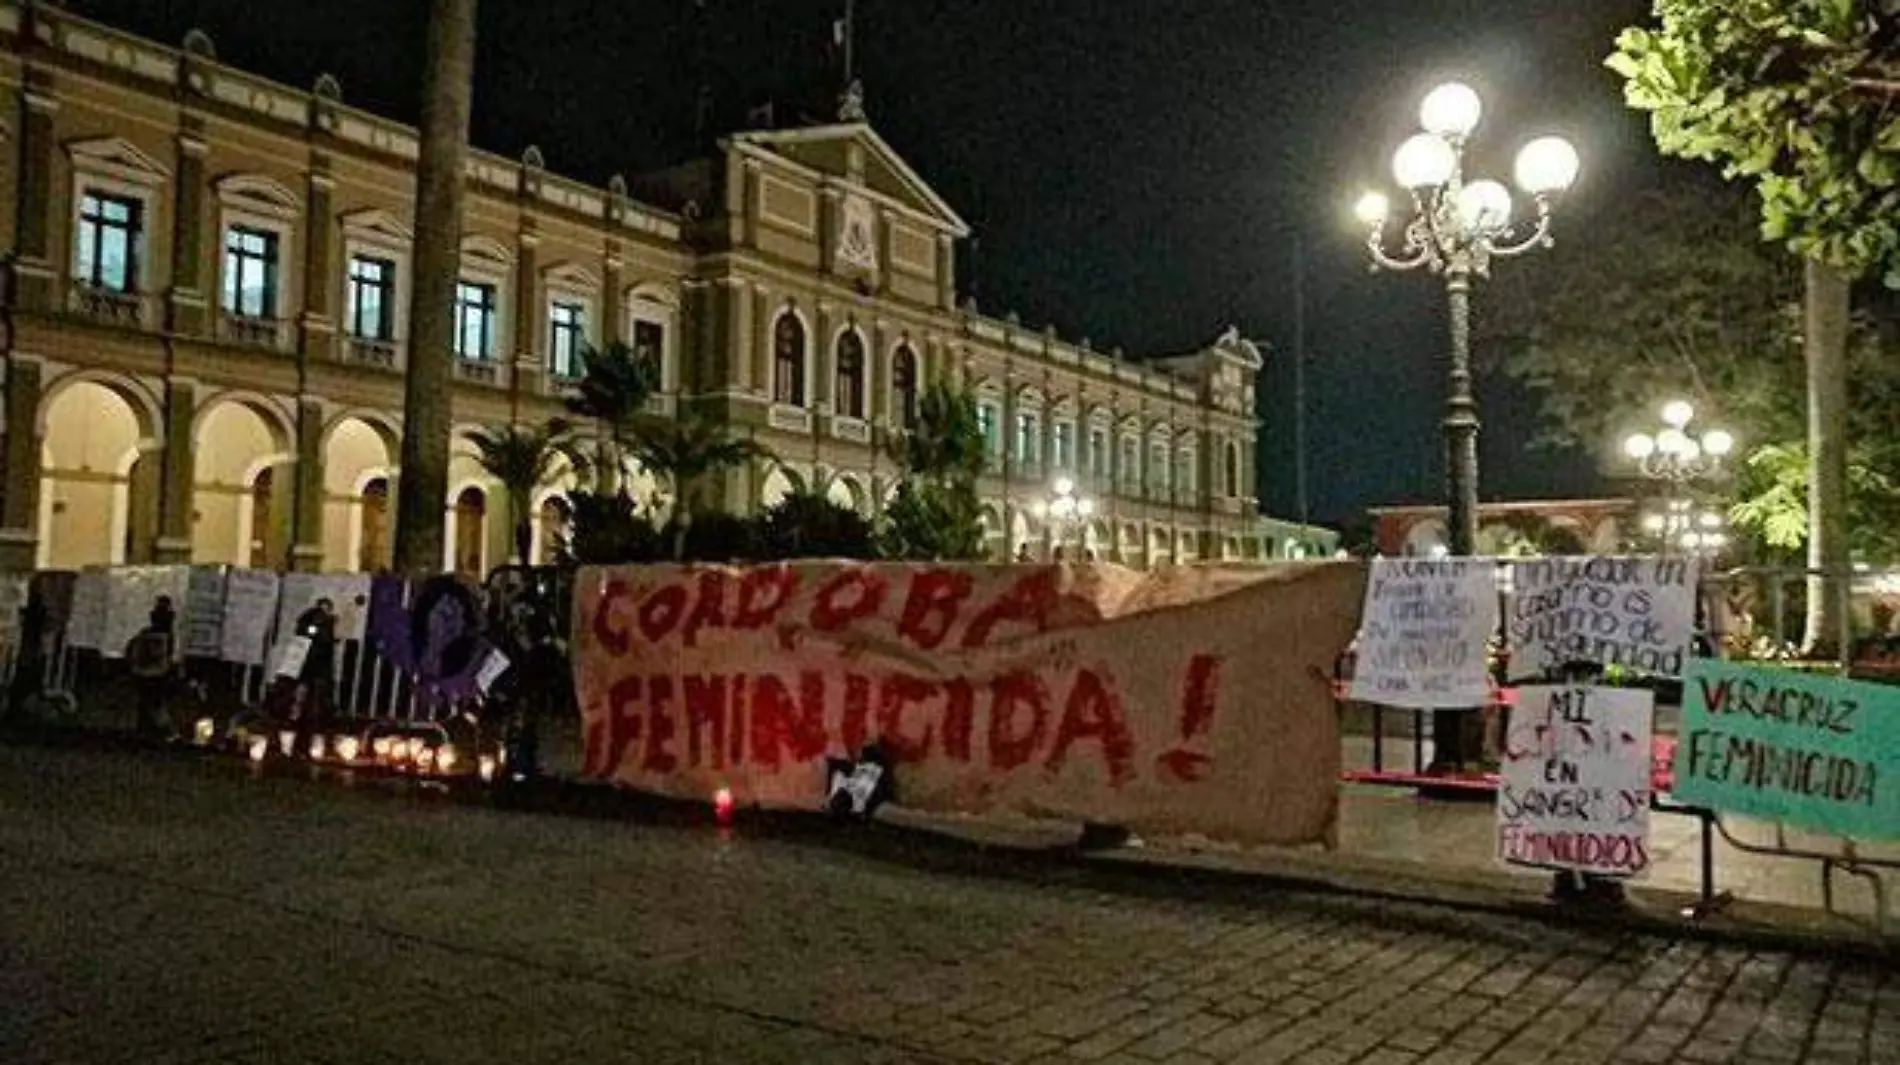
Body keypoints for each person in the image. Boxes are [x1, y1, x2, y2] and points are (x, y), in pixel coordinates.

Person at [125, 596, 176, 738]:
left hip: (145, 672)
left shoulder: (146, 634)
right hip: (155, 672)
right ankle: (158, 728)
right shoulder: (163, 635)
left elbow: (132, 648)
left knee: (148, 700)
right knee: (155, 701)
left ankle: (146, 728)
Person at [293, 598, 338, 750]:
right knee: (307, 694)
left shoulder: (326, 623)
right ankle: (303, 719)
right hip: (310, 663)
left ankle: (312, 719)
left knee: (315, 695)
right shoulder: (311, 620)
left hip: (317, 664)